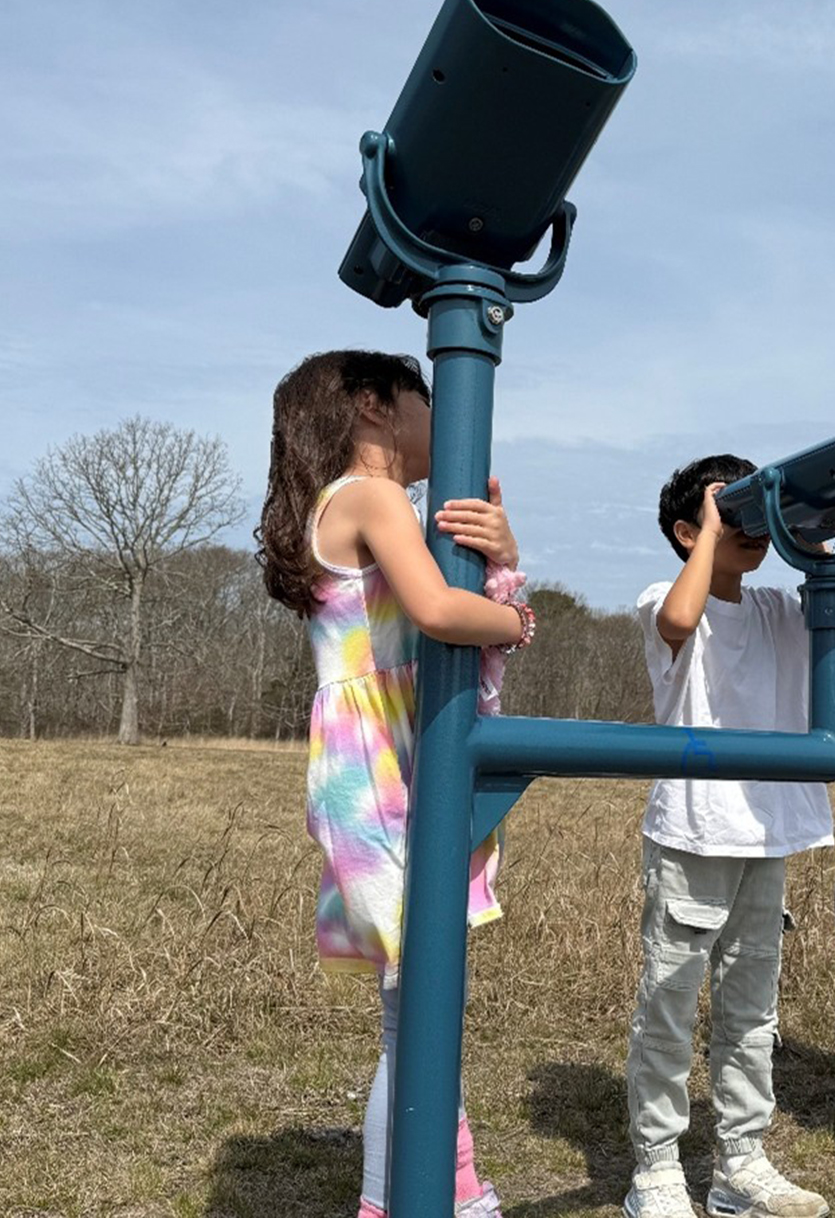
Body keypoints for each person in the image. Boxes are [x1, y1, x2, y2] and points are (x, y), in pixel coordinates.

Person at [255, 350, 536, 1218]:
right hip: (379, 764)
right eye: (426, 398)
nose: (438, 420)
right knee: (421, 1013)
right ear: (375, 406)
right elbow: (443, 613)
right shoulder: (370, 496)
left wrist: (504, 553)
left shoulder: (347, 504)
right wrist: (519, 617)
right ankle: (438, 1195)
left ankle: (421, 1193)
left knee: (411, 1015)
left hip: (368, 760)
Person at [624, 454, 835, 1218]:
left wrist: (811, 530)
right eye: (727, 516)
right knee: (669, 1004)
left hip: (766, 834)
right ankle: (656, 1168)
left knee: (751, 1010)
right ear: (686, 530)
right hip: (694, 832)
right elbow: (680, 621)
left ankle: (741, 1161)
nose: (746, 531)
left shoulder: (775, 608)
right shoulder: (664, 594)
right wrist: (716, 527)